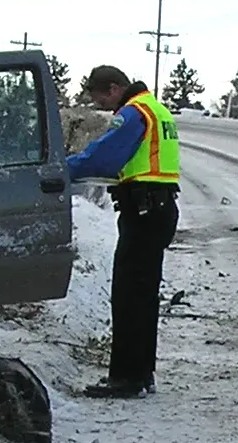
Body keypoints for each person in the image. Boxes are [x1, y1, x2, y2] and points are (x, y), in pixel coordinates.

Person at [67, 65, 180, 399]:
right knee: (143, 296)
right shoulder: (156, 108)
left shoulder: (133, 114)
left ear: (115, 88)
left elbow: (104, 155)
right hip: (159, 209)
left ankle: (126, 379)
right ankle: (142, 374)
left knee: (129, 295)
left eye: (102, 98)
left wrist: (63, 166)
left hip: (144, 212)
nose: (104, 107)